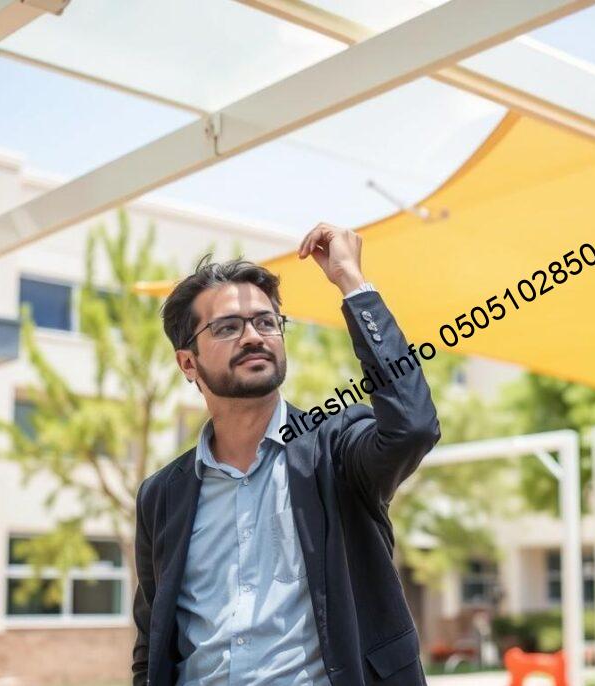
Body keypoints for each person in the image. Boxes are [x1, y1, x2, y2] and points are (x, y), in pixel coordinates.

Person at [131, 223, 441, 685]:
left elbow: (413, 426)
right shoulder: (161, 495)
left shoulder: (336, 449)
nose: (254, 336)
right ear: (188, 363)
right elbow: (152, 643)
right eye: (227, 327)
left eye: (266, 322)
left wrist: (352, 282)